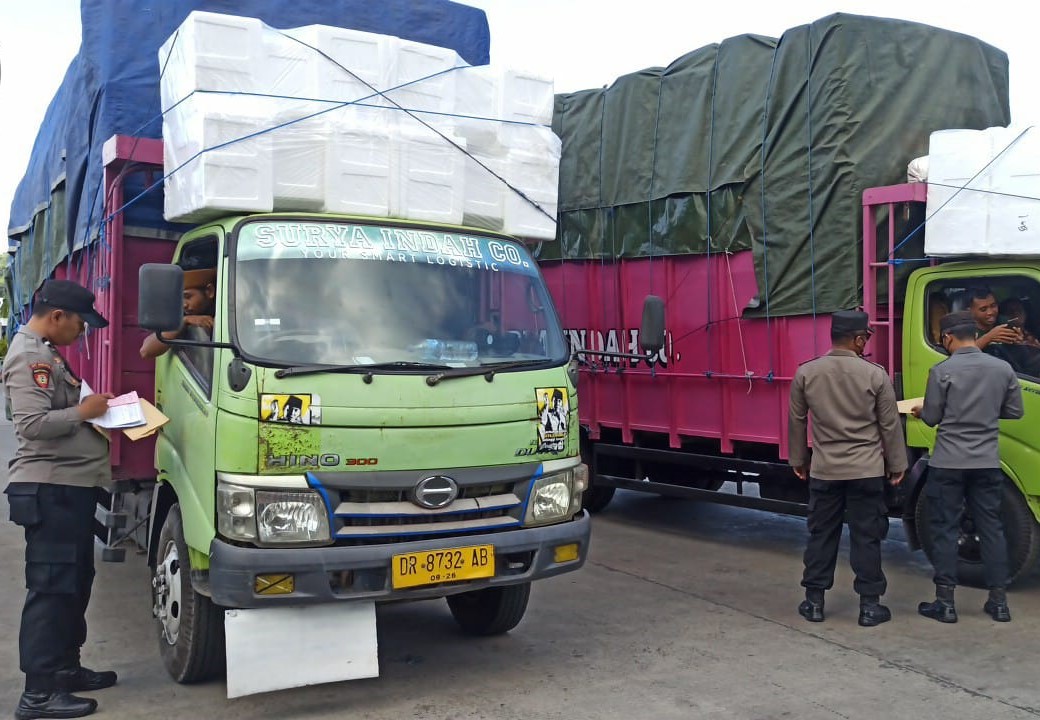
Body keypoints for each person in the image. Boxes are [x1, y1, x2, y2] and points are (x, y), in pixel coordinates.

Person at [2, 280, 118, 719]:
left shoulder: (46, 352)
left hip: (70, 488)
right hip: (51, 489)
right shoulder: (31, 356)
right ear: (56, 316)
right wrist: (83, 413)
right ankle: (38, 695)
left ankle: (66, 670)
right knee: (51, 591)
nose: (83, 333)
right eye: (80, 324)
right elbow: (31, 425)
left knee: (74, 584)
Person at [788, 310, 907, 627]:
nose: (866, 343)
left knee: (821, 534)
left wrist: (799, 460)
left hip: (825, 471)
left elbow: (797, 422)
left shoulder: (806, 373)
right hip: (866, 471)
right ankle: (869, 607)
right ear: (857, 339)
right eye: (865, 338)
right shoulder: (875, 375)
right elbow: (889, 426)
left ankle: (813, 602)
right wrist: (897, 464)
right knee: (866, 537)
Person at [912, 311, 1024, 623]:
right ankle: (999, 602)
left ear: (948, 337)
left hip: (949, 462)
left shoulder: (941, 371)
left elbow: (933, 417)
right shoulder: (1002, 369)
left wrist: (923, 411)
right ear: (974, 334)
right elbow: (1015, 411)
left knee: (946, 527)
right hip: (987, 461)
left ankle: (945, 603)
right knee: (992, 527)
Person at [139, 268, 216, 359]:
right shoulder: (178, 315)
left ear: (209, 291)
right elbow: (146, 351)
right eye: (179, 299)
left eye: (187, 296)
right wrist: (184, 321)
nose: (183, 304)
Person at [967, 286, 1022, 350]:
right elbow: (962, 355)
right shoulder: (965, 330)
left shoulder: (1004, 322)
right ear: (970, 311)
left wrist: (1017, 341)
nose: (990, 312)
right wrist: (989, 337)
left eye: (993, 306)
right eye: (983, 309)